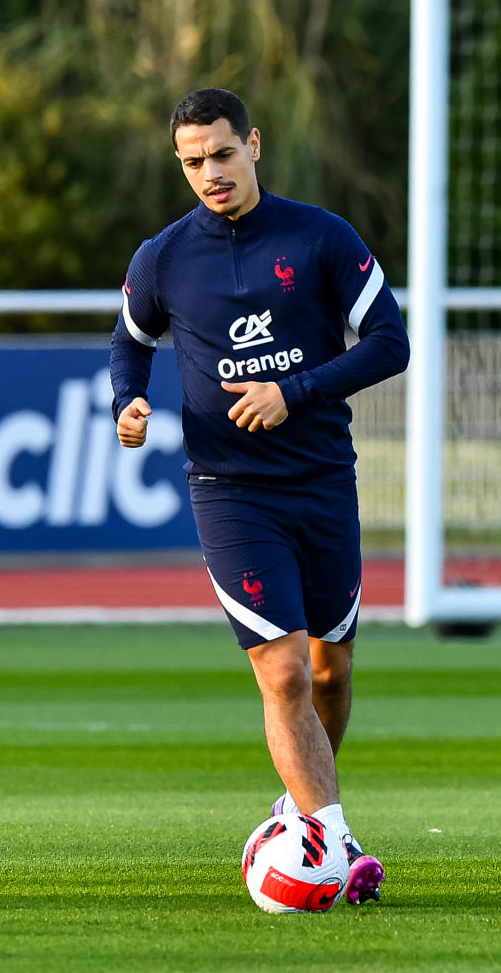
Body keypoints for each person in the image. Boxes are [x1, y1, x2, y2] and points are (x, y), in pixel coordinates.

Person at [109, 88, 409, 905]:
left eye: (221, 154)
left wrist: (294, 390)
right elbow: (129, 343)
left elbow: (390, 342)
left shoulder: (320, 236)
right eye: (192, 162)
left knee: (329, 672)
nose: (209, 172)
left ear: (253, 144)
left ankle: (299, 812)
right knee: (281, 671)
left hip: (322, 482)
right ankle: (334, 846)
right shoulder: (163, 257)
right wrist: (126, 402)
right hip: (230, 491)